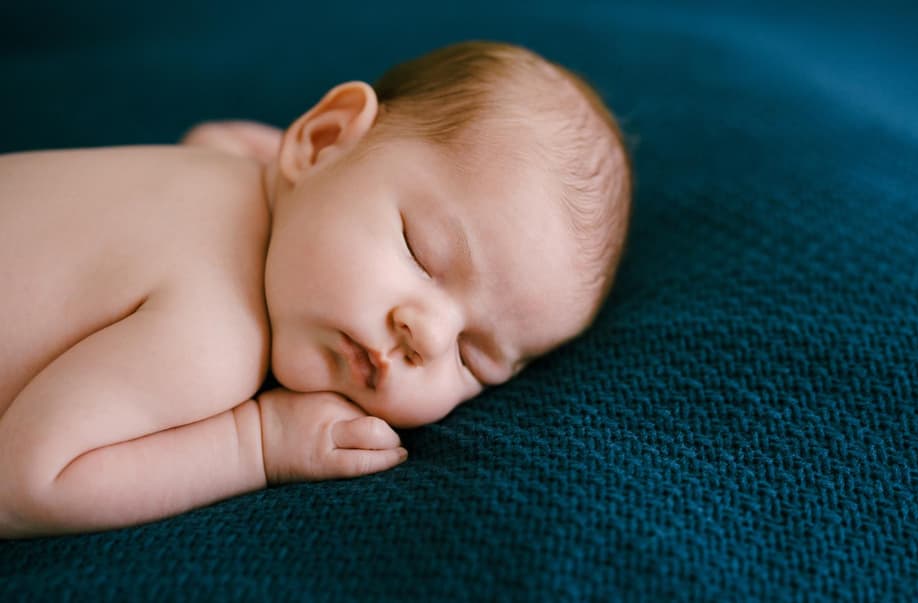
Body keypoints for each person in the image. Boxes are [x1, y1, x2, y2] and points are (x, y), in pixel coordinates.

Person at [0, 41, 631, 538]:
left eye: (474, 358)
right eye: (420, 252)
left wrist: (333, 173)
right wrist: (257, 444)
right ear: (322, 139)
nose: (428, 337)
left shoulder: (233, 161)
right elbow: (28, 485)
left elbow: (225, 136)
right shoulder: (212, 335)